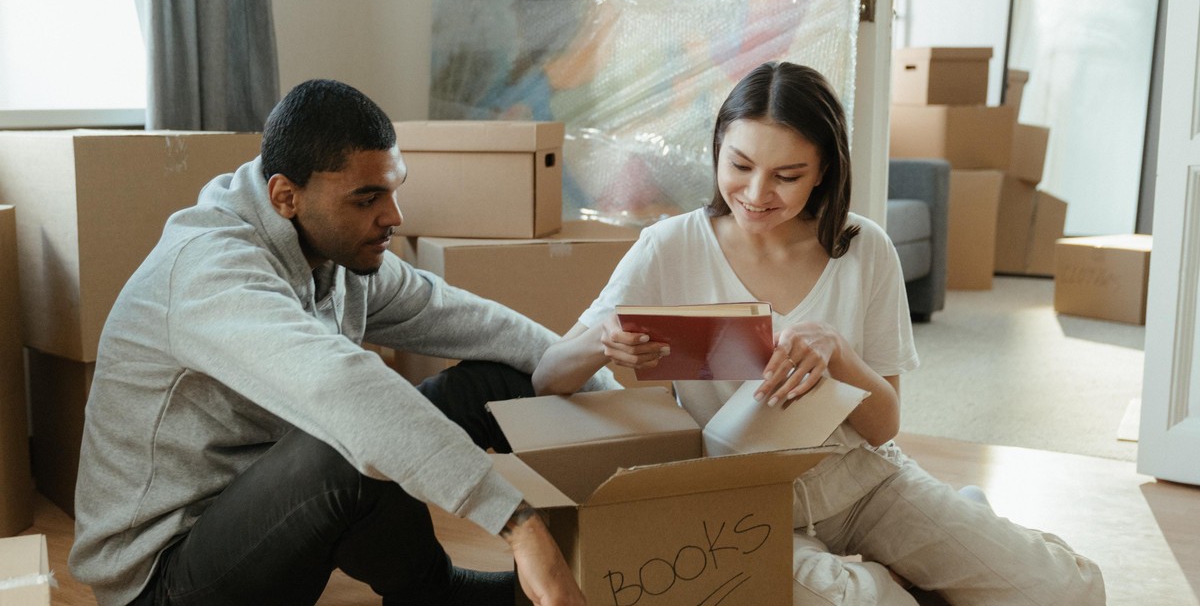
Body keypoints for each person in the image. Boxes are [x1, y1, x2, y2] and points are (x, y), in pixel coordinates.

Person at [532, 61, 1105, 605]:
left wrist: (841, 356)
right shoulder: (669, 246)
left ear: (824, 171)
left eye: (787, 176)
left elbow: (883, 427)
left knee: (1068, 594)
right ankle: (916, 572)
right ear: (716, 152)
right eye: (739, 166)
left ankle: (958, 531)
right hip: (744, 503)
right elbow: (547, 377)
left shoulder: (865, 248)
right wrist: (601, 339)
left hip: (863, 481)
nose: (757, 194)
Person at [68, 79, 612, 606]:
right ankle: (435, 590)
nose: (392, 217)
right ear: (285, 195)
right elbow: (345, 390)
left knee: (499, 379)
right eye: (366, 198)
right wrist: (518, 522)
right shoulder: (210, 271)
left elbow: (464, 317)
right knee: (354, 436)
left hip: (260, 506)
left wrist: (611, 393)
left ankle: (450, 589)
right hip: (166, 575)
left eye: (395, 189)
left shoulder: (338, 254)